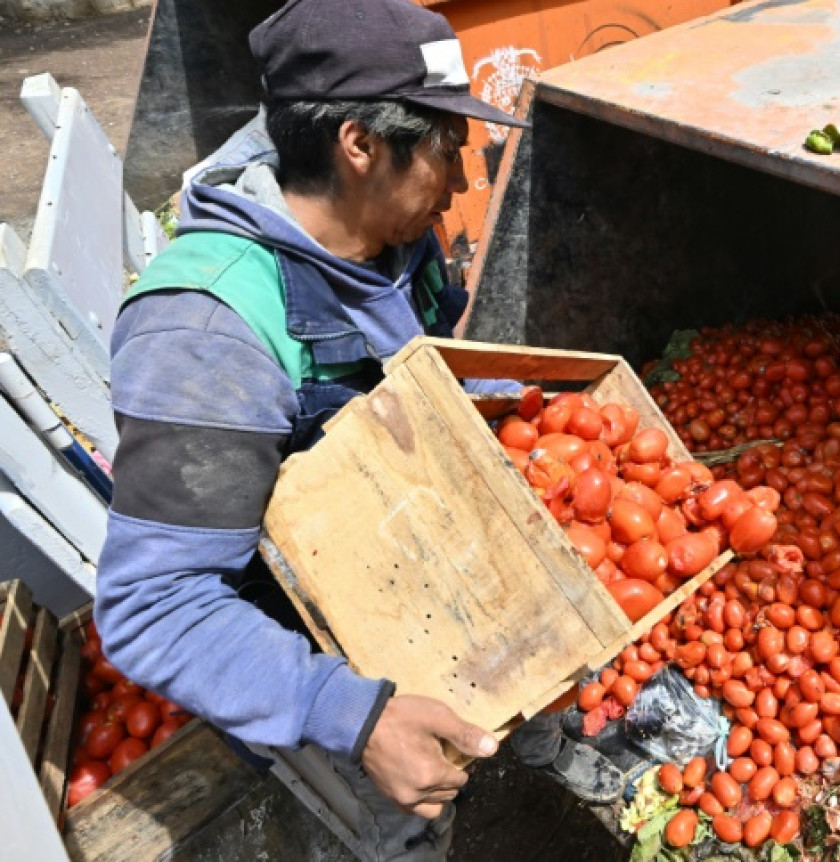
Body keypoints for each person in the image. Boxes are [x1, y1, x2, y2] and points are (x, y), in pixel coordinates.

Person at [94, 0, 528, 857]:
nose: (460, 175)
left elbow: (426, 358)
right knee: (402, 824)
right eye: (445, 144)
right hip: (306, 642)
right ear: (359, 144)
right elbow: (152, 605)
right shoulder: (209, 331)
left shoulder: (393, 237)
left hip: (409, 560)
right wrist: (353, 716)